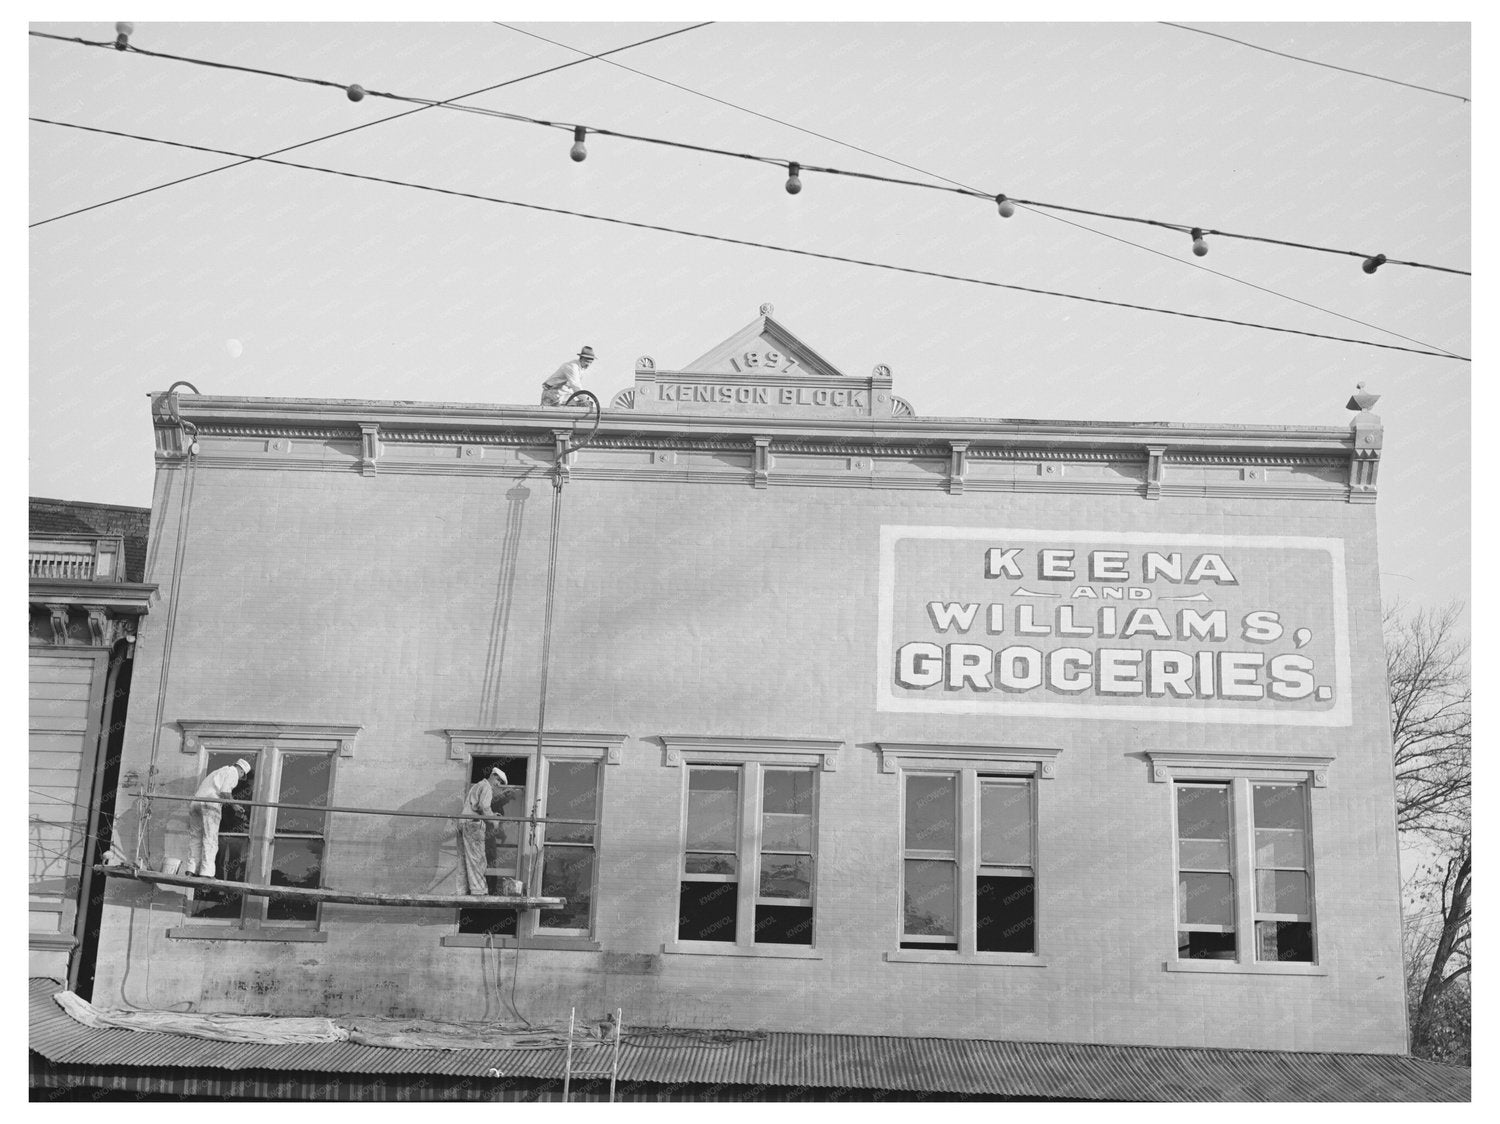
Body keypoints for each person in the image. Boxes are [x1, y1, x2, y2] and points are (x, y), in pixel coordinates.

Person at [187, 758, 251, 878]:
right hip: (210, 805)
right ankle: (206, 873)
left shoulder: (216, 772)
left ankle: (191, 870)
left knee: (196, 837)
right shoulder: (232, 772)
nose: (240, 777)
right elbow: (225, 792)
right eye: (242, 775)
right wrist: (235, 806)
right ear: (241, 771)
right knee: (210, 839)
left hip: (195, 803)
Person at [459, 767, 511, 894]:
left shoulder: (477, 785)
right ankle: (479, 890)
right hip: (474, 825)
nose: (498, 785)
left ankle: (465, 889)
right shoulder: (486, 787)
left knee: (468, 858)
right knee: (479, 858)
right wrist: (494, 819)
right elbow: (484, 806)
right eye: (498, 781)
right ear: (493, 776)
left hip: (465, 823)